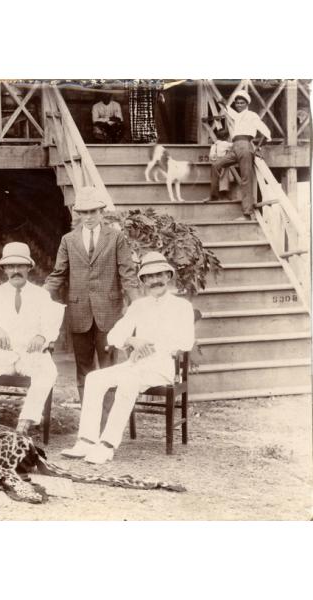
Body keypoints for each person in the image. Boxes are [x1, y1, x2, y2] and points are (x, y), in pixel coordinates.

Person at [61, 252, 195, 464]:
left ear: (168, 276)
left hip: (162, 366)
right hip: (135, 364)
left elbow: (186, 342)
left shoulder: (182, 307)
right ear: (143, 281)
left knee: (128, 380)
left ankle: (107, 444)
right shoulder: (138, 306)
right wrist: (132, 341)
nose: (155, 280)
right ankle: (86, 440)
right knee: (94, 378)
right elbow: (114, 335)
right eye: (149, 277)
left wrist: (151, 345)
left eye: (159, 275)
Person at [44, 186, 140, 403]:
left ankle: (106, 419)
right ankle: (88, 416)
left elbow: (127, 273)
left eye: (93, 212)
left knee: (108, 368)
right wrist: (39, 297)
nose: (88, 217)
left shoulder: (116, 238)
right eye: (83, 212)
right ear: (78, 213)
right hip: (79, 313)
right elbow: (58, 274)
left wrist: (138, 305)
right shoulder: (68, 240)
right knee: (84, 367)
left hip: (108, 312)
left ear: (101, 211)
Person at [0, 242, 64, 434]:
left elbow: (51, 324)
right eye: (10, 266)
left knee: (48, 370)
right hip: (2, 355)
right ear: (4, 269)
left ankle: (25, 422)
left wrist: (42, 335)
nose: (15, 271)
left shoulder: (41, 295)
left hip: (30, 355)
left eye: (20, 266)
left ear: (29, 267)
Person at [209, 91, 271, 220]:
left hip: (245, 145)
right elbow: (229, 110)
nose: (239, 105)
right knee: (216, 165)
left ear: (247, 104)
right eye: (237, 102)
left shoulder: (252, 115)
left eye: (242, 103)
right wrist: (223, 102)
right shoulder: (238, 116)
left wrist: (258, 147)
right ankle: (214, 196)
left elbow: (266, 132)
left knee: (245, 179)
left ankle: (247, 212)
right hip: (234, 146)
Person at [208, 128, 233, 197]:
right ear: (225, 137)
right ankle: (224, 192)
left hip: (215, 162)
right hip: (222, 162)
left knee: (215, 178)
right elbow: (233, 146)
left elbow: (211, 156)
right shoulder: (225, 144)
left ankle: (215, 193)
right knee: (224, 177)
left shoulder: (214, 144)